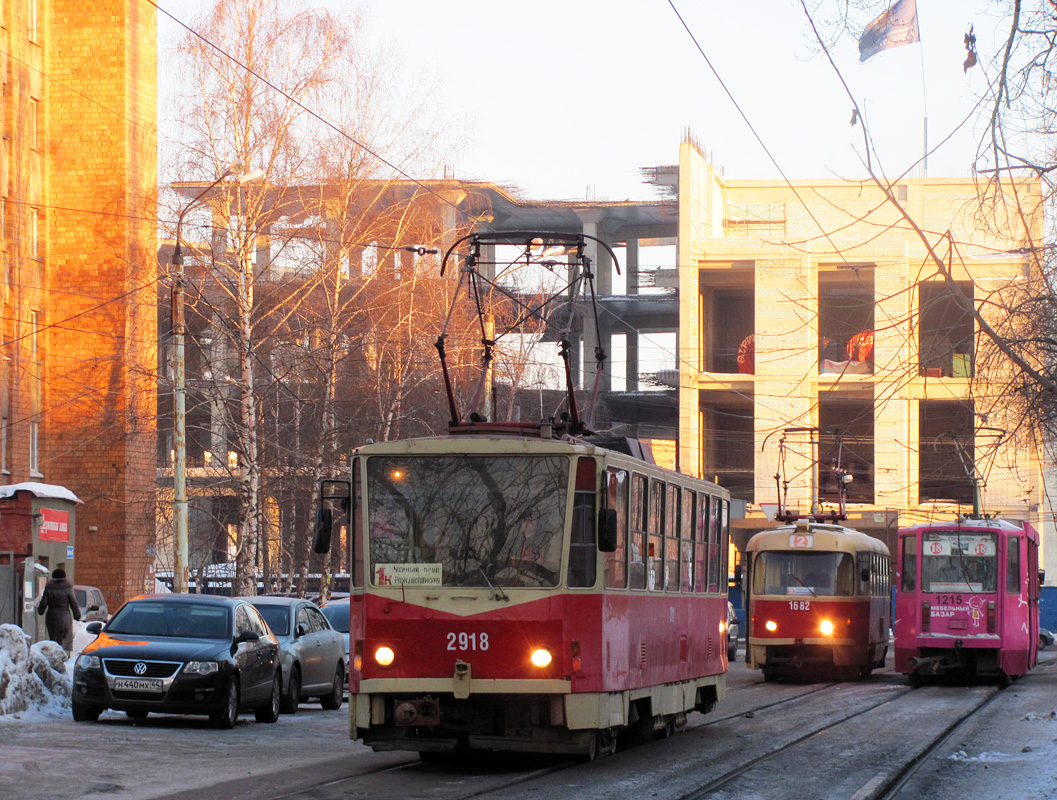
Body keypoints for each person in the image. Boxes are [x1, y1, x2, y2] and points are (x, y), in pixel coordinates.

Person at [36, 568, 80, 650]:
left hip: (52, 617)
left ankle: (55, 656)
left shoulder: (49, 587)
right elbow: (74, 602)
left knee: (54, 640)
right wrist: (77, 615)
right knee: (66, 639)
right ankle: (66, 657)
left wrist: (40, 610)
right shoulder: (68, 586)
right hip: (65, 616)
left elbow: (44, 603)